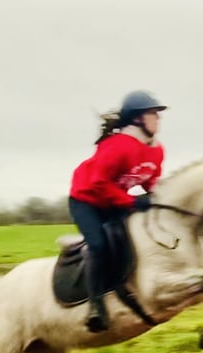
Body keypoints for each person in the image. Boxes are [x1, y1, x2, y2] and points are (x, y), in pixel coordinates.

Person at [68, 90, 167, 333]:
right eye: (153, 114)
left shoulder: (156, 150)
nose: (158, 119)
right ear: (137, 119)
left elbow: (150, 180)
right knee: (100, 245)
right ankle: (95, 306)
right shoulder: (116, 147)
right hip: (86, 200)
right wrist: (132, 203)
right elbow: (98, 184)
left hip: (112, 200)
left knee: (132, 239)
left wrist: (156, 198)